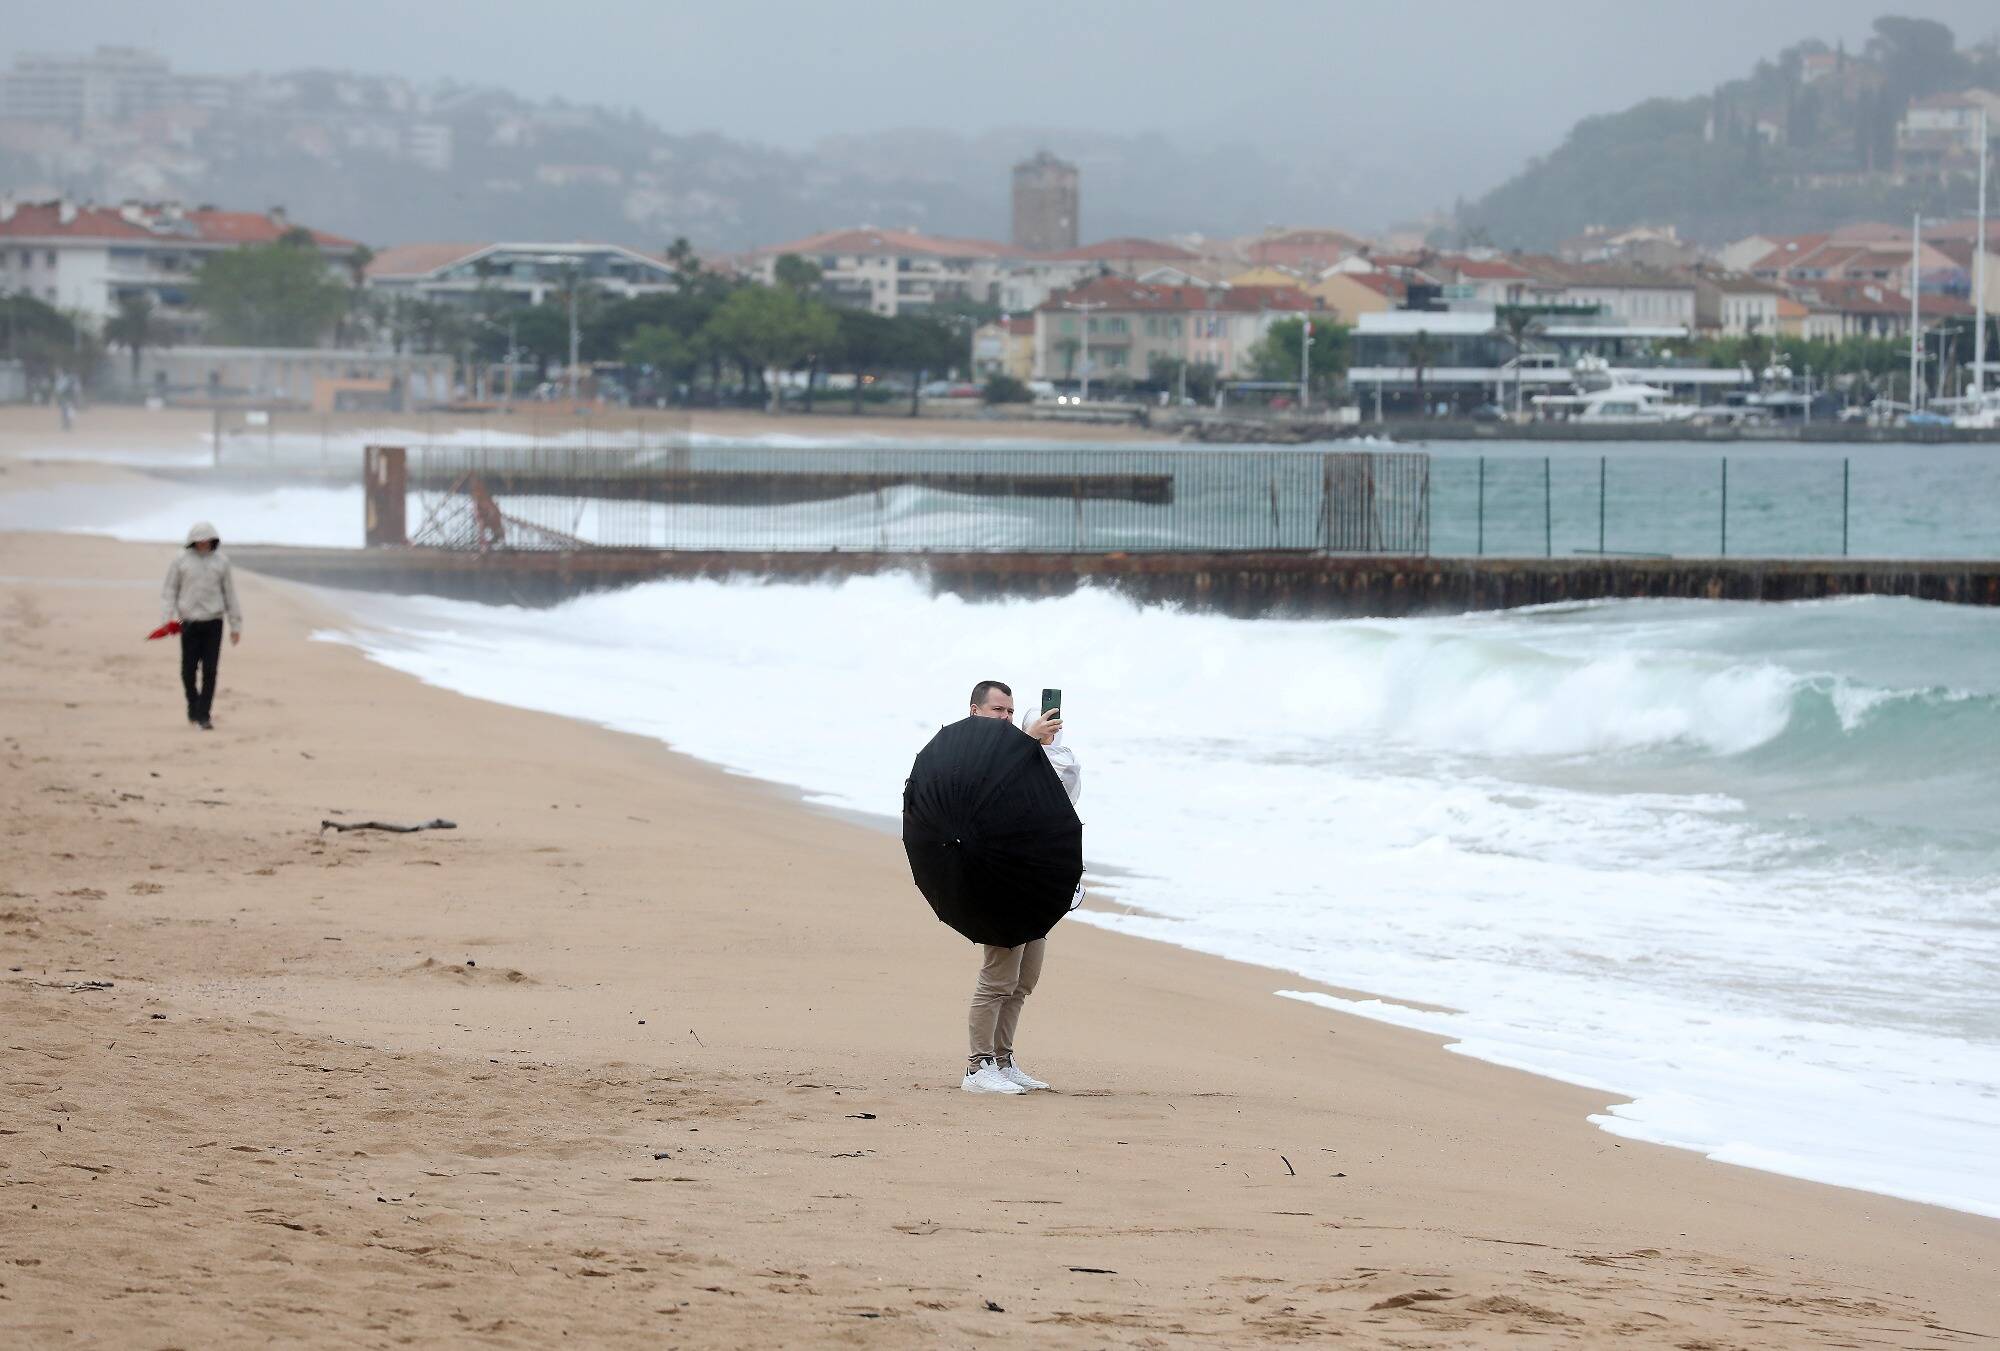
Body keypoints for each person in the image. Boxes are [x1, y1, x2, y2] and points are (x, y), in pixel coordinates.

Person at [961, 679, 1082, 1096]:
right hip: (998, 879)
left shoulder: (1022, 751)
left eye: (1011, 711)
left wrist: (1045, 751)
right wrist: (1026, 745)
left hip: (1035, 878)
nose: (1006, 718)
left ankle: (1003, 1059)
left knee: (1024, 979)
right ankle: (977, 1068)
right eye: (998, 710)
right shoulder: (972, 753)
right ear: (976, 711)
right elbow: (990, 794)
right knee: (997, 978)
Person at [160, 521, 242, 730]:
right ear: (192, 541)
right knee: (188, 669)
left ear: (213, 540)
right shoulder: (180, 560)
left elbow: (230, 594)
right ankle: (192, 705)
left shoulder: (222, 562)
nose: (203, 544)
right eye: (199, 540)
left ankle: (204, 715)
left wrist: (235, 625)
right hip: (188, 621)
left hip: (214, 621)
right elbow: (170, 590)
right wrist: (167, 619)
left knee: (210, 670)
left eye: (207, 540)